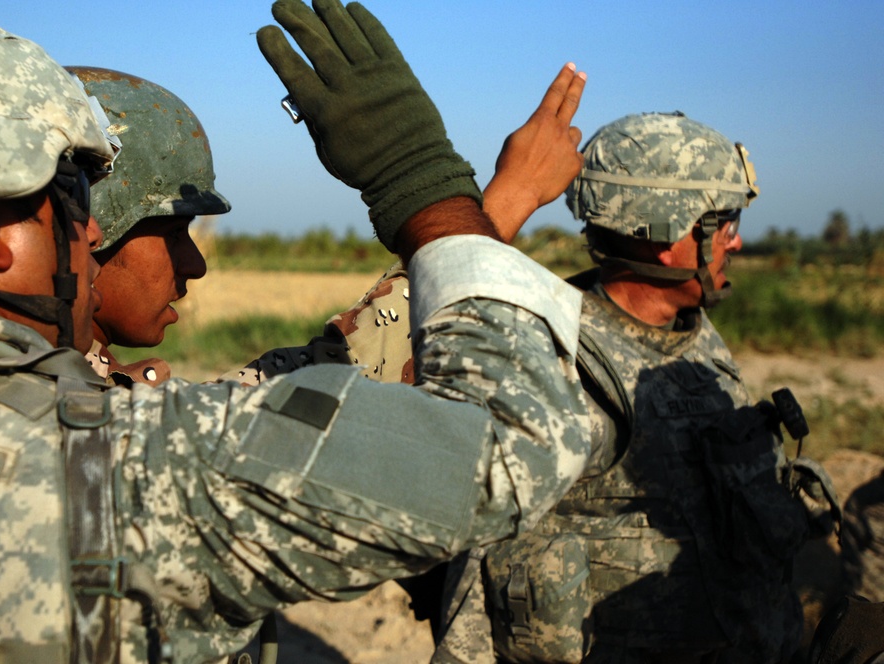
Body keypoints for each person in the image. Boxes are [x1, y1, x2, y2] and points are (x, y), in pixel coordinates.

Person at [0, 3, 593, 662]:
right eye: (72, 199)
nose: (90, 225)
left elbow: (321, 371)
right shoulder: (123, 469)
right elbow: (507, 446)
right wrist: (421, 181)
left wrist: (506, 200)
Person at [230, 111, 840, 663]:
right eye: (723, 221)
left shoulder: (698, 341)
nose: (735, 239)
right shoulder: (557, 357)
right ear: (660, 226)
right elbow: (483, 581)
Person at [66, 66, 230, 387]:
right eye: (172, 234)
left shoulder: (91, 386)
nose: (196, 265)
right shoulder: (58, 398)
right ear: (88, 229)